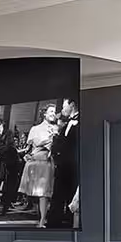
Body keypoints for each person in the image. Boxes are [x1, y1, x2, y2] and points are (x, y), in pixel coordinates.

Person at [20, 105, 59, 221]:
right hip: (37, 163)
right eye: (51, 111)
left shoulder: (57, 128)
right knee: (39, 192)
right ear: (44, 114)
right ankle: (41, 217)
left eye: (55, 111)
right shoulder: (35, 129)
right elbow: (34, 144)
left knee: (45, 193)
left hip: (48, 162)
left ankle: (43, 219)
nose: (53, 113)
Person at [46, 97, 80, 228]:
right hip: (65, 167)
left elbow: (65, 146)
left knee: (61, 197)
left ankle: (56, 225)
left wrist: (55, 136)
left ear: (72, 105)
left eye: (64, 106)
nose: (62, 109)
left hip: (70, 167)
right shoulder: (69, 123)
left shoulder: (78, 122)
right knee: (61, 197)